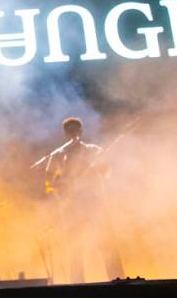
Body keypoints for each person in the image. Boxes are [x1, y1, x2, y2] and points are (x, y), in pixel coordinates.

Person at [43, 117, 124, 283]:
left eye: (76, 130)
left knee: (107, 245)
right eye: (70, 131)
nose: (74, 134)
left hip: (96, 206)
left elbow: (107, 173)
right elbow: (49, 180)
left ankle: (119, 282)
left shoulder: (94, 151)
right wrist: (62, 184)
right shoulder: (58, 155)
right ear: (65, 134)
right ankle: (77, 285)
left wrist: (97, 167)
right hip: (72, 208)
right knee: (75, 249)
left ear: (81, 131)